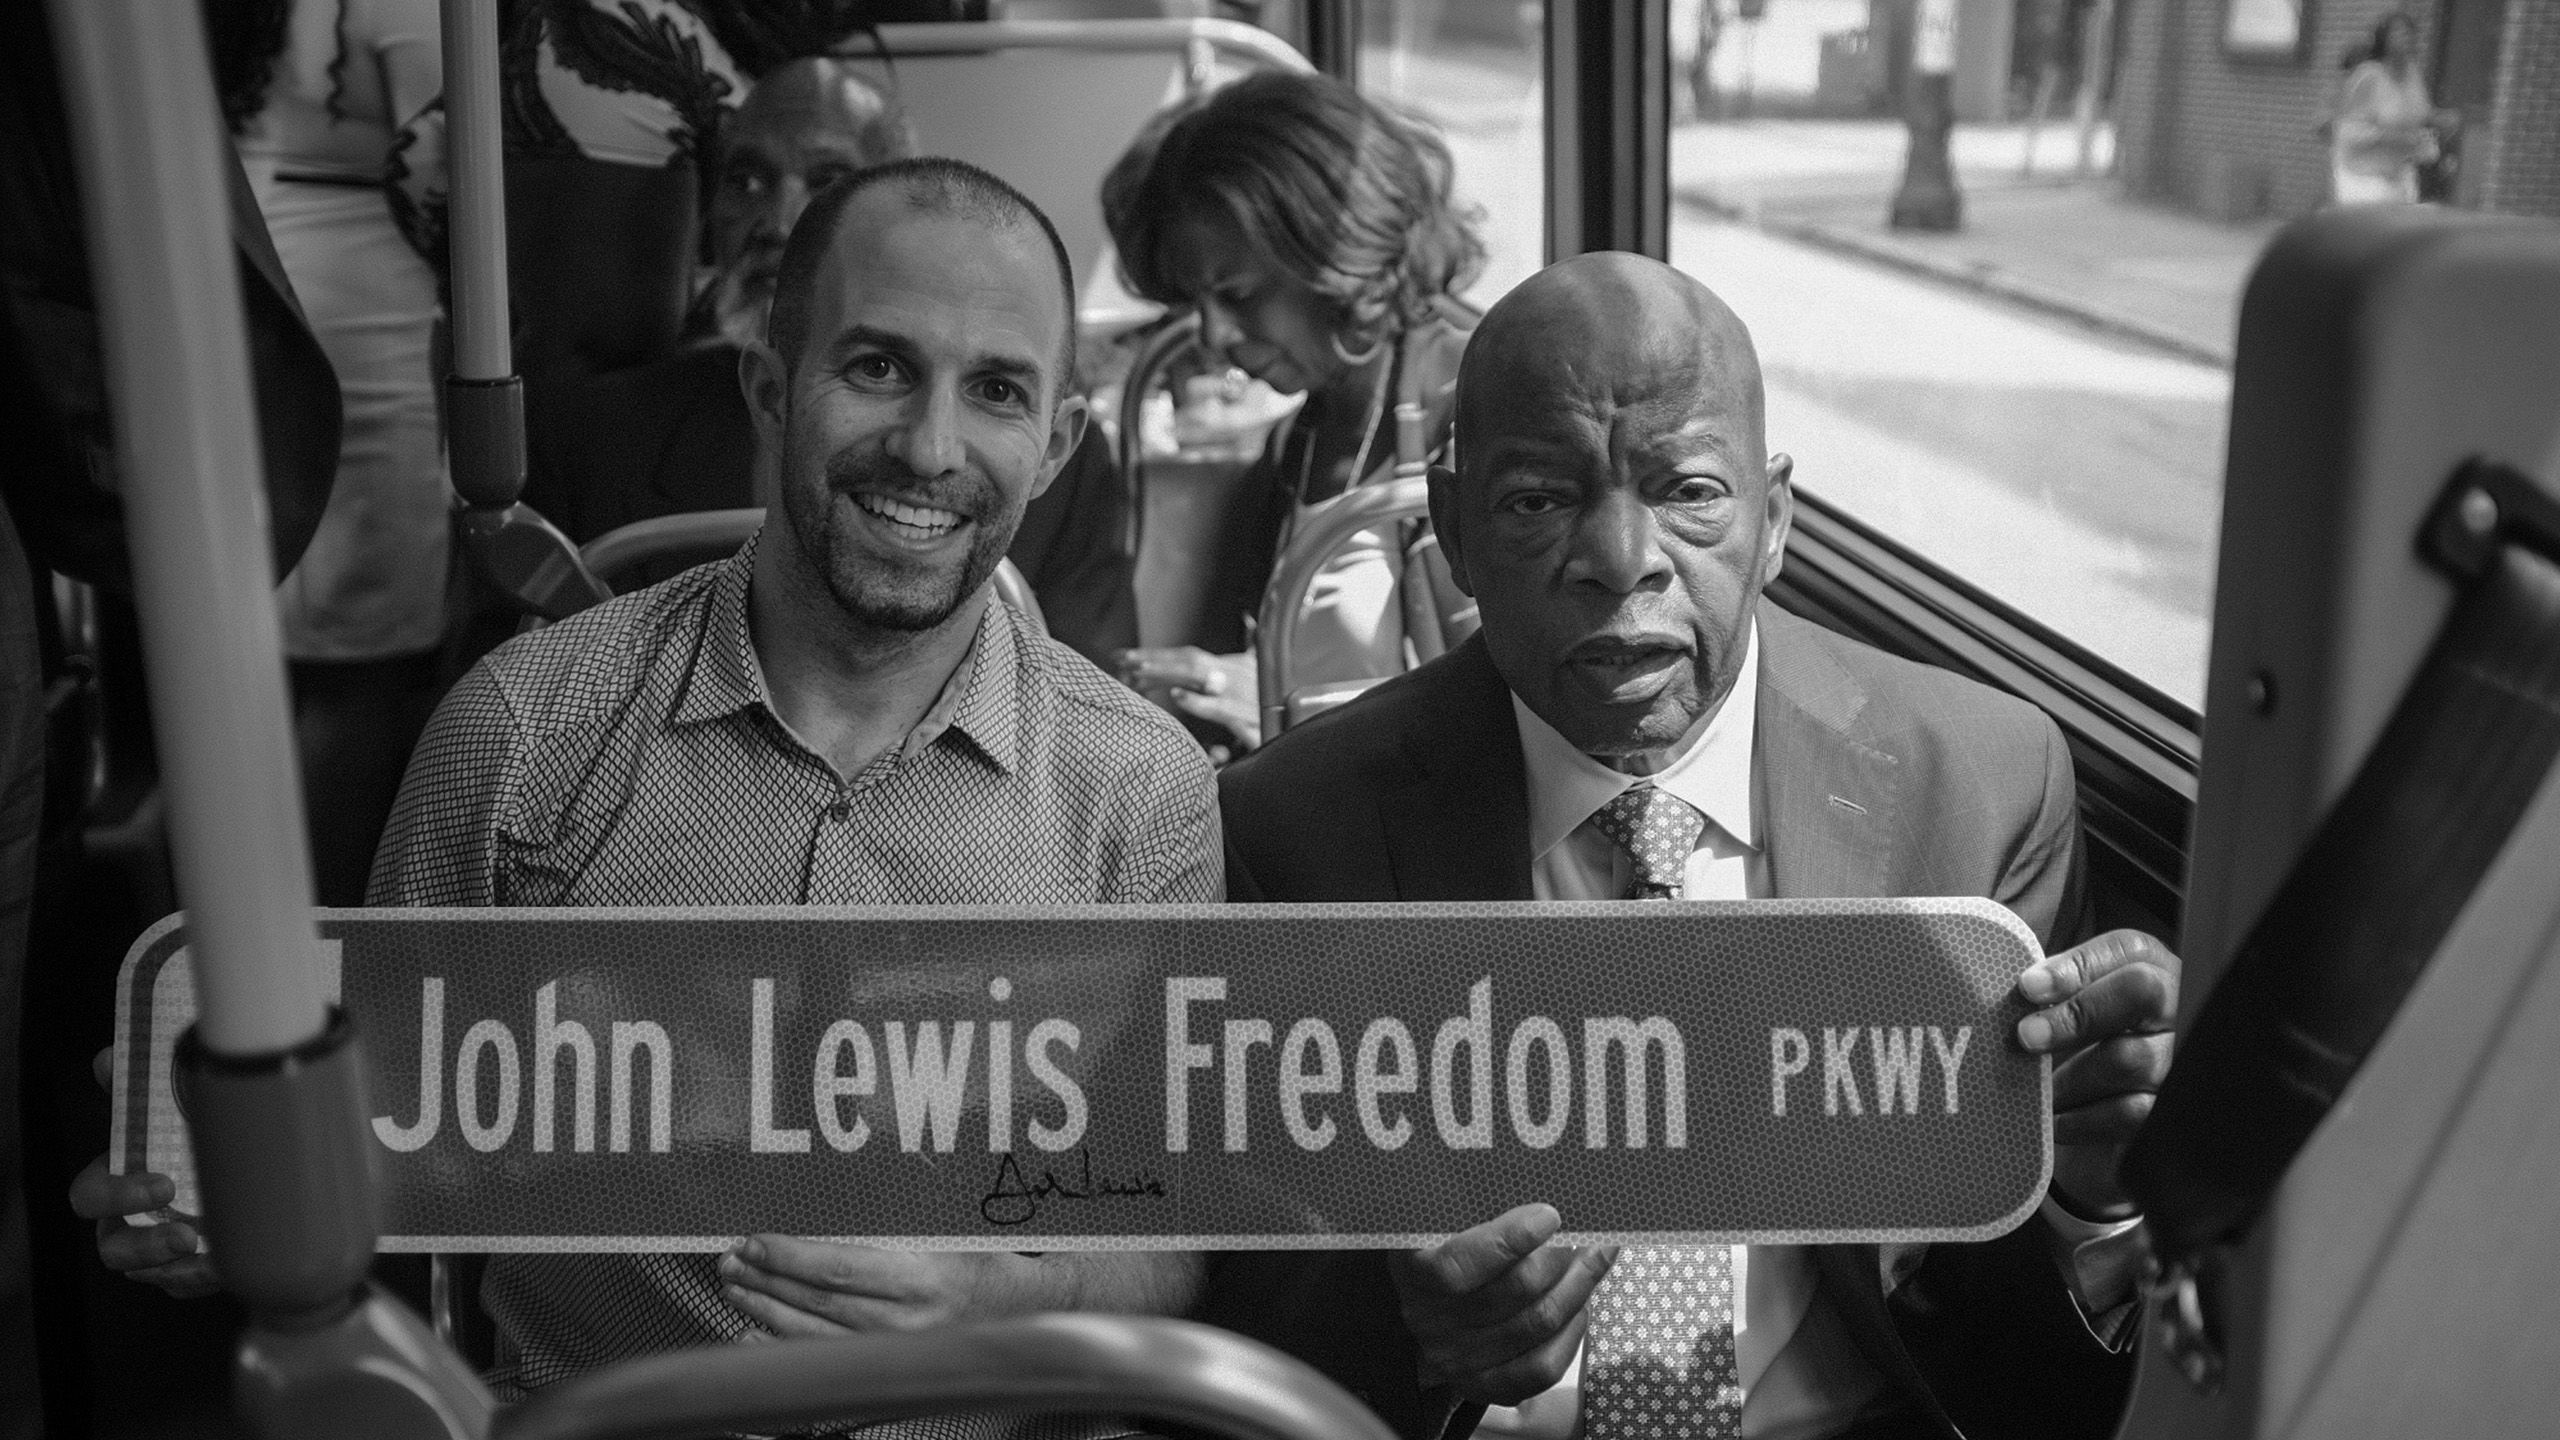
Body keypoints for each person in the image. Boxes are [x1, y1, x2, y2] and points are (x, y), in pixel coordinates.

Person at [78, 159, 1217, 1437]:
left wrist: (991, 1310)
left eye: (996, 391)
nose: (932, 448)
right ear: (771, 390)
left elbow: (1161, 1243)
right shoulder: (518, 736)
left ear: (1056, 443)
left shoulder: (1142, 791)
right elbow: (386, 1139)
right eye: (878, 368)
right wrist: (223, 1187)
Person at [1213, 254, 2178, 1440]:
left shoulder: (1979, 786)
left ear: (1773, 523)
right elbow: (1249, 1309)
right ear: (1453, 531)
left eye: (1688, 492)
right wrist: (1417, 1343)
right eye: (1537, 502)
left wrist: (2087, 1199)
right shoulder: (1290, 832)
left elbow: (2000, 1353)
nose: (1622, 560)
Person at [520, 55, 1140, 666]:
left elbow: (1088, 689)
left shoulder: (1063, 469)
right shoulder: (591, 439)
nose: (779, 223)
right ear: (769, 395)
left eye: (827, 182)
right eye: (746, 181)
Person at [1100, 70, 1482, 752]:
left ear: (1336, 257)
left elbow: (1515, 710)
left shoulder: (1481, 403)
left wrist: (1287, 709)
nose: (1212, 337)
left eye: (1239, 295)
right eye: (1195, 306)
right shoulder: (1299, 442)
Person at [211, 0, 455, 907]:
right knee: (359, 663)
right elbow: (441, 163)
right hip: (368, 311)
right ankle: (323, 930)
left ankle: (258, 919)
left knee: (290, 655)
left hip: (268, 273)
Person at [2331, 11, 2451, 206]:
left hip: (2399, 173)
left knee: (2402, 232)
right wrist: (2398, 139)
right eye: (2398, 33)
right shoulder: (2369, 76)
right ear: (2383, 39)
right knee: (2371, 233)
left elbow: (2420, 112)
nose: (2406, 38)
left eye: (2409, 33)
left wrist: (2440, 119)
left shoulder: (2413, 73)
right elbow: (2349, 132)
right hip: (2363, 175)